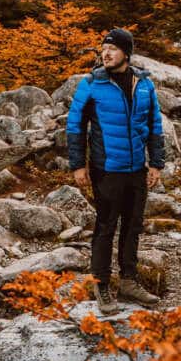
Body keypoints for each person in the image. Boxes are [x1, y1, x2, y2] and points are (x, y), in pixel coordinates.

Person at [66, 28, 166, 315]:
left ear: (126, 53)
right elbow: (75, 127)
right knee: (106, 226)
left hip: (137, 169)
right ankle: (101, 284)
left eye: (112, 49)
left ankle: (129, 281)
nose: (105, 53)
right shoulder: (91, 84)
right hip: (107, 169)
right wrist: (78, 165)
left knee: (133, 225)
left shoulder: (144, 84)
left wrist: (156, 162)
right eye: (103, 48)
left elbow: (154, 126)